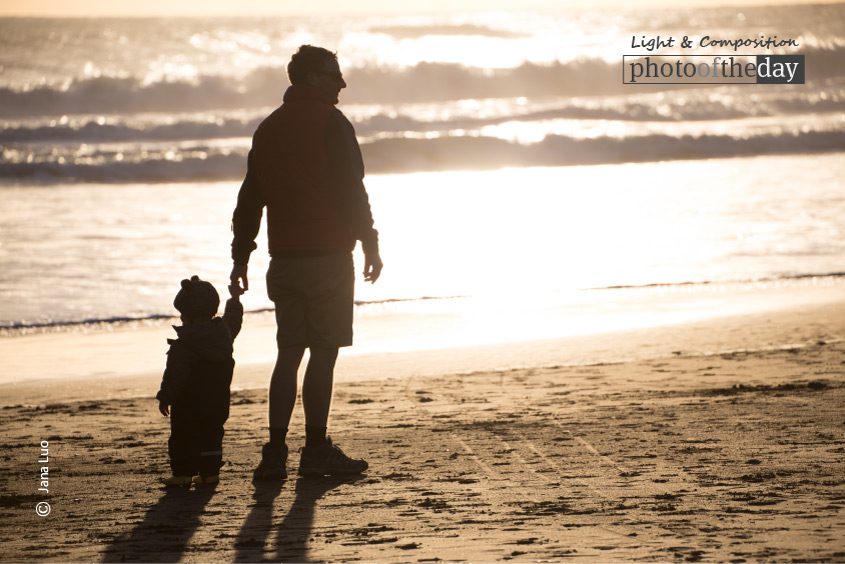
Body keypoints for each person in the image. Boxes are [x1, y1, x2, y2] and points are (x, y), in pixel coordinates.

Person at [230, 45, 383, 480]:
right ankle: (315, 448)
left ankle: (274, 453)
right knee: (324, 354)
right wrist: (370, 242)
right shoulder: (333, 125)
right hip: (329, 259)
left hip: (285, 261)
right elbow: (353, 192)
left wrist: (241, 257)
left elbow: (249, 201)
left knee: (288, 353)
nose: (342, 82)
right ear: (313, 77)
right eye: (334, 74)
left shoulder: (268, 128)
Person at [156, 276, 243, 488]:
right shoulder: (223, 335)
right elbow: (234, 319)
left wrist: (165, 397)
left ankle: (183, 473)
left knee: (183, 437)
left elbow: (174, 375)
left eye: (182, 313)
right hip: (217, 401)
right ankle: (209, 473)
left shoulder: (185, 345)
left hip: (188, 404)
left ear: (187, 315)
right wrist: (234, 299)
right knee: (212, 435)